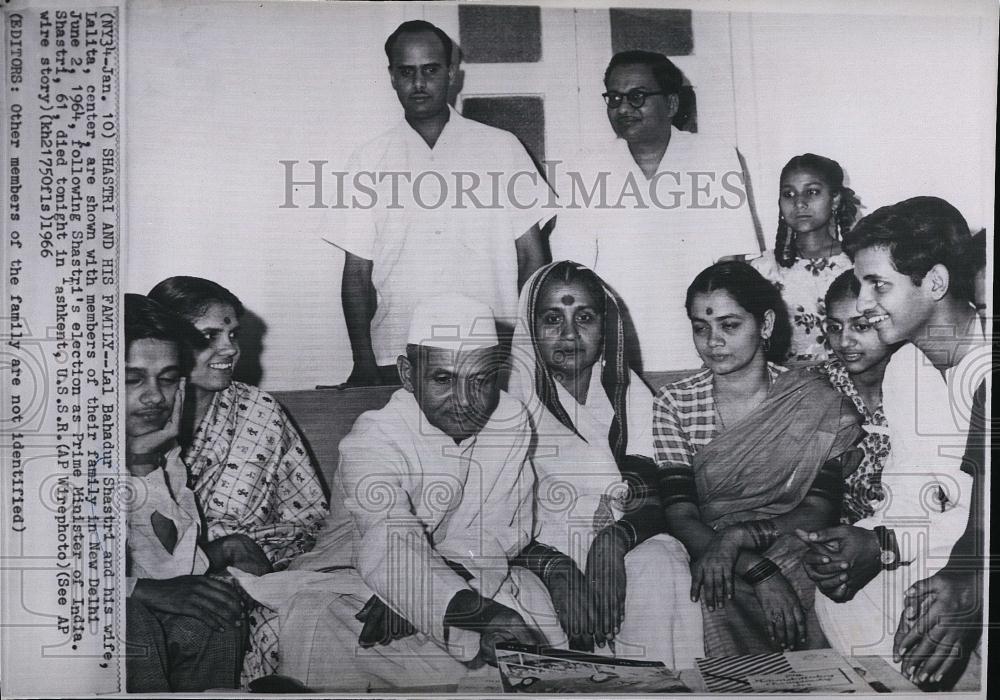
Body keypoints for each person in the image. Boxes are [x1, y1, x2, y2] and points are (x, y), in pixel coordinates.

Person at [248, 297, 562, 690]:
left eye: (480, 381)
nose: (465, 401)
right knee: (321, 617)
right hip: (348, 579)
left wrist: (440, 589)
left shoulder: (509, 418)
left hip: (470, 571)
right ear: (408, 375)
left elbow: (506, 527)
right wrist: (460, 606)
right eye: (444, 380)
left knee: (530, 600)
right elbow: (386, 536)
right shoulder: (374, 437)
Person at [802, 197, 988, 690]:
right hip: (947, 564)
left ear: (935, 283)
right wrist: (874, 542)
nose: (863, 303)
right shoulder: (905, 368)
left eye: (877, 284)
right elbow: (913, 503)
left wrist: (970, 580)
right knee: (843, 598)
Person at [652, 261, 861, 656]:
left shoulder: (813, 399)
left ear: (764, 325)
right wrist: (752, 565)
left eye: (729, 326)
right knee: (710, 589)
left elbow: (819, 510)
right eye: (701, 327)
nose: (713, 341)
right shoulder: (674, 402)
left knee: (821, 571)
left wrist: (740, 538)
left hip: (793, 541)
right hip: (712, 547)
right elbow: (681, 514)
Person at [507, 261, 703, 669]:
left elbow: (651, 496)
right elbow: (489, 520)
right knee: (513, 595)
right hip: (529, 553)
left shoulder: (628, 395)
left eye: (584, 317)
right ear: (529, 328)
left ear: (605, 326)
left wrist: (613, 542)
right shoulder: (504, 405)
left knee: (660, 562)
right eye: (551, 319)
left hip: (617, 538)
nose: (569, 334)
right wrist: (554, 565)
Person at [334, 20, 549, 386]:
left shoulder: (502, 148)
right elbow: (356, 274)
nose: (419, 84)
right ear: (392, 76)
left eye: (431, 70)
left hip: (491, 353)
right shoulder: (369, 159)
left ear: (451, 72)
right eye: (407, 72)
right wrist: (363, 362)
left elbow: (533, 258)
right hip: (398, 356)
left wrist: (527, 351)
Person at [148, 276, 328, 683]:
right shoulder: (137, 417)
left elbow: (311, 518)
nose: (229, 348)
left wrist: (271, 572)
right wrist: (221, 553)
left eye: (232, 334)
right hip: (180, 582)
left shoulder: (258, 410)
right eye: (209, 335)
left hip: (272, 571)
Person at [551, 50, 759, 372]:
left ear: (672, 104)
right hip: (614, 359)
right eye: (614, 98)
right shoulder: (586, 167)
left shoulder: (713, 155)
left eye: (637, 97)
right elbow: (572, 275)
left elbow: (729, 268)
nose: (622, 108)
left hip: (700, 354)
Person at [124, 294, 248, 692]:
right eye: (133, 379)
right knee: (129, 621)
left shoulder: (163, 455)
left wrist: (143, 466)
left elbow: (175, 577)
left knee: (213, 612)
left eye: (166, 378)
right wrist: (136, 591)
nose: (155, 397)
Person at [750, 154, 861, 362]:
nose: (799, 203)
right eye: (789, 194)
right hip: (789, 387)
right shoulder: (764, 270)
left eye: (812, 192)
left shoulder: (857, 263)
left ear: (835, 199)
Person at [815, 270, 896, 524]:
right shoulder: (818, 386)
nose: (844, 340)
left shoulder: (919, 381)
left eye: (860, 326)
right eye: (834, 327)